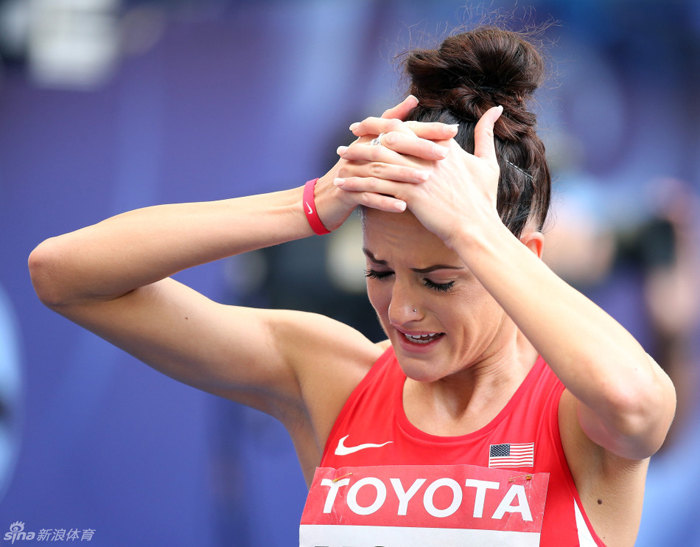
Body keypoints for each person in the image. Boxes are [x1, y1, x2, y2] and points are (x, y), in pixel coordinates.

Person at [28, 26, 675, 546]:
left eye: (440, 279)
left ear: (520, 258)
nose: (402, 308)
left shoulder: (572, 415)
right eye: (378, 270)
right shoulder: (332, 376)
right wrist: (309, 203)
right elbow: (65, 275)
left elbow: (637, 400)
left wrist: (477, 228)